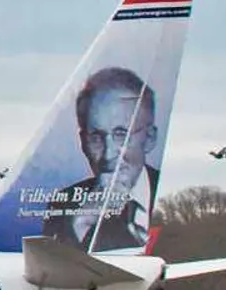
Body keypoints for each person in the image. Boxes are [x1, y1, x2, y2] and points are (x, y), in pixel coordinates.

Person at [41, 66, 160, 252]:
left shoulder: (170, 198)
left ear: (150, 138)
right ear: (82, 142)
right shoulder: (65, 204)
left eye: (121, 134)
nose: (108, 155)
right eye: (96, 138)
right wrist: (81, 223)